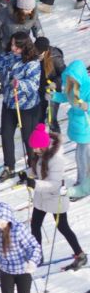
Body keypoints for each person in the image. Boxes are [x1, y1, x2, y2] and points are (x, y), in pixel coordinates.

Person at [19, 125, 86, 270]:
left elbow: (54, 184)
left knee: (63, 227)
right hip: (41, 196)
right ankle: (37, 255)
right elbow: (36, 170)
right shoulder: (40, 155)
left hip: (56, 197)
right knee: (35, 225)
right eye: (34, 148)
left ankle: (80, 254)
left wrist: (34, 183)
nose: (34, 151)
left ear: (43, 145)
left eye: (37, 148)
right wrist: (26, 174)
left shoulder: (57, 159)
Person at [0, 31, 41, 184]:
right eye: (13, 44)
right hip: (9, 103)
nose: (13, 47)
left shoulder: (33, 63)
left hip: (26, 107)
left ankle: (34, 167)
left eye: (16, 45)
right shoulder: (10, 57)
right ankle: (9, 167)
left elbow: (34, 85)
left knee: (28, 139)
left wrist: (19, 84)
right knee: (6, 135)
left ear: (24, 46)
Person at [52, 60, 90, 193]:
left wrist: (87, 106)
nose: (70, 80)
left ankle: (83, 184)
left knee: (81, 155)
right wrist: (53, 96)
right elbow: (65, 97)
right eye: (68, 77)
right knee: (84, 154)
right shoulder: (71, 86)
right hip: (77, 124)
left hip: (86, 125)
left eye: (72, 77)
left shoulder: (88, 86)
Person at [34, 37, 64, 133]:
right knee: (39, 116)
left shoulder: (55, 57)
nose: (38, 55)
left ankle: (56, 138)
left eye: (40, 53)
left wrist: (55, 83)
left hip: (53, 90)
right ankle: (40, 139)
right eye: (36, 52)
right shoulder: (35, 55)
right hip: (41, 88)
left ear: (46, 51)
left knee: (52, 118)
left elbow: (64, 74)